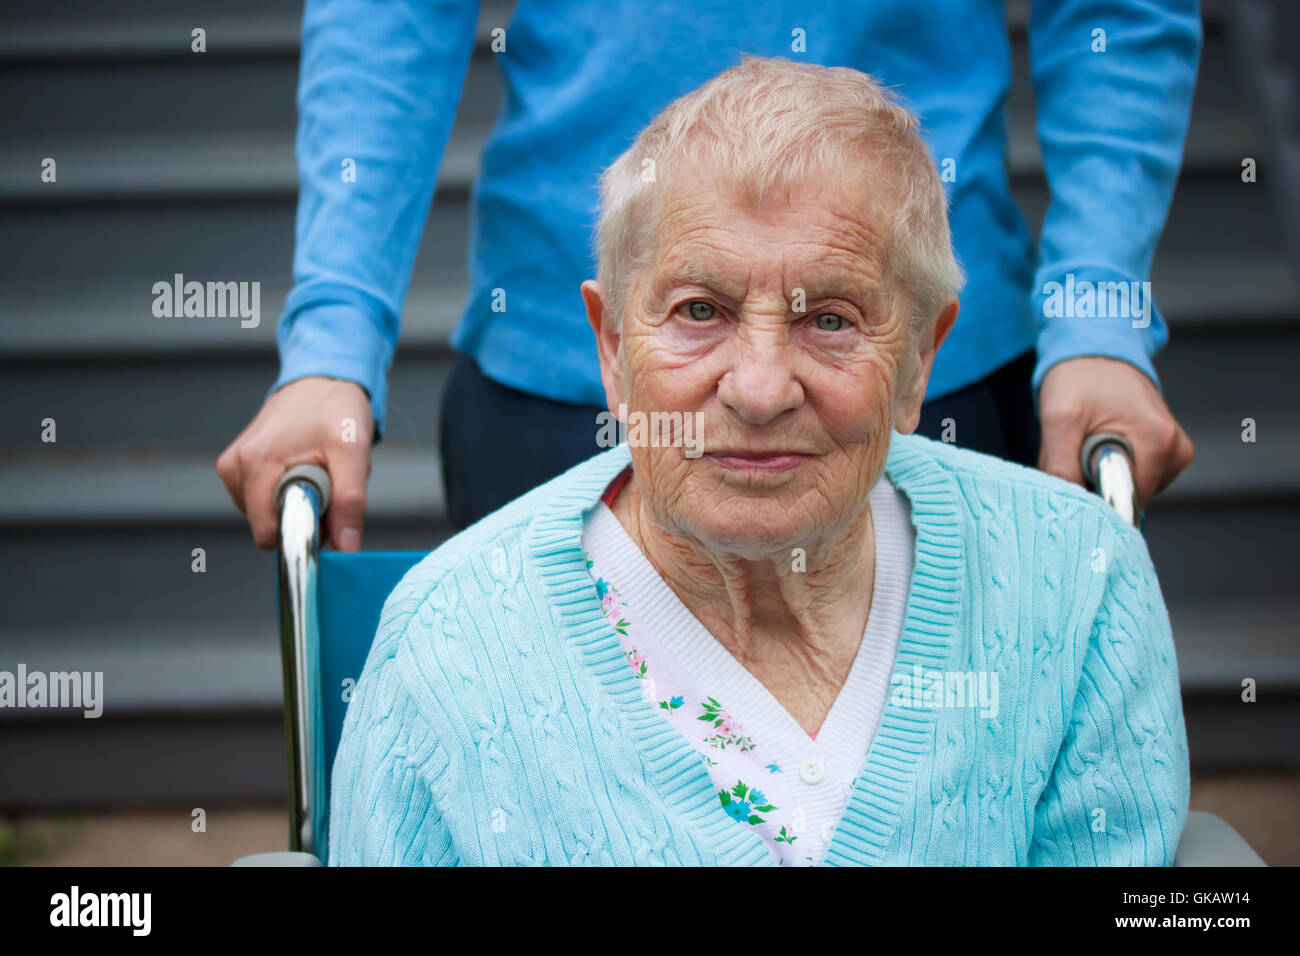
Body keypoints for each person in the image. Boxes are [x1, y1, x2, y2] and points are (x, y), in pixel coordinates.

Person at [328, 59, 1189, 866]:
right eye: (700, 310)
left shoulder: (1075, 580)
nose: (760, 388)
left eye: (831, 321)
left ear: (921, 360)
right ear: (614, 347)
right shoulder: (450, 651)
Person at [216, 0, 1198, 544]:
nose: (756, 389)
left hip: (920, 352)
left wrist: (1098, 310)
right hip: (558, 367)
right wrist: (332, 341)